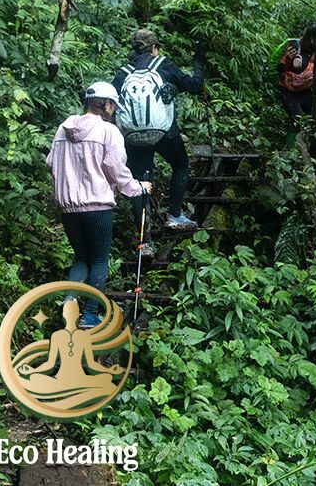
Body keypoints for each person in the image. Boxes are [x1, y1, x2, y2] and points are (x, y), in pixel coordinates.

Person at [46, 82, 151, 328]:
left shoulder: (63, 128)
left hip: (68, 207)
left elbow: (51, 164)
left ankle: (70, 300)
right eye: (112, 104)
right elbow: (117, 171)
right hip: (97, 206)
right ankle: (90, 315)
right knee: (99, 260)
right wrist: (138, 188)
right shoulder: (108, 131)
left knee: (81, 258)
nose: (113, 109)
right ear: (105, 104)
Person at [112, 29, 204, 254]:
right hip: (164, 133)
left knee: (140, 185)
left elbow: (112, 104)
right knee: (180, 165)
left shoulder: (123, 72)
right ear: (154, 48)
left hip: (133, 137)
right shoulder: (163, 64)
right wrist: (199, 61)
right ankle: (174, 215)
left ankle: (145, 243)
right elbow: (194, 85)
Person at [276, 23, 316, 148]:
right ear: (312, 39)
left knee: (314, 120)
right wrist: (287, 60)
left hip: (307, 92)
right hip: (289, 93)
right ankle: (291, 150)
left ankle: (312, 148)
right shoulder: (294, 47)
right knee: (297, 121)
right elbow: (279, 69)